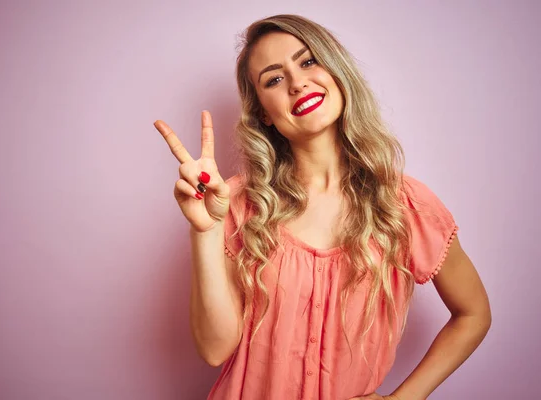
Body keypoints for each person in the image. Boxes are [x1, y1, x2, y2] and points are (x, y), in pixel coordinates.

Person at [154, 14, 491, 400]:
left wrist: (405, 398)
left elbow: (474, 313)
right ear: (263, 112)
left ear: (336, 72)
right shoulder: (235, 204)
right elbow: (214, 350)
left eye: (308, 61)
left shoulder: (405, 205)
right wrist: (206, 230)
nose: (297, 83)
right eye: (274, 79)